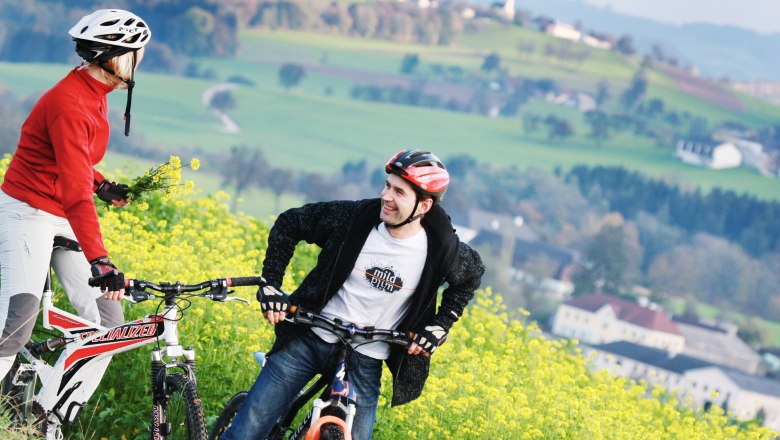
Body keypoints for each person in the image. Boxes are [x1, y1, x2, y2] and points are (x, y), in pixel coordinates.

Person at [223, 149, 485, 440]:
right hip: (309, 339)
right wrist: (270, 283)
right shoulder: (354, 219)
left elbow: (470, 279)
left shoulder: (443, 249)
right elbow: (290, 223)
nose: (386, 196)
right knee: (245, 432)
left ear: (424, 205)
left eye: (399, 192)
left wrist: (441, 323)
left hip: (367, 357)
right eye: (387, 185)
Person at [0, 9, 152, 382]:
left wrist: (99, 183)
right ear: (116, 58)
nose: (139, 63)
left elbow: (73, 158)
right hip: (27, 212)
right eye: (137, 55)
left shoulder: (95, 90)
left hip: (60, 211)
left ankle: (50, 415)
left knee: (106, 327)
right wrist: (101, 260)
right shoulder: (71, 102)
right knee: (18, 323)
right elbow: (74, 194)